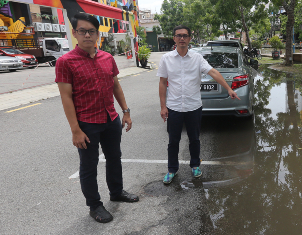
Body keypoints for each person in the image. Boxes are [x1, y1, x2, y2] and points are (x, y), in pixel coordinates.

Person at [55, 12, 139, 223]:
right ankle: (94, 205)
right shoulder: (66, 62)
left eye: (91, 31)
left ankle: (116, 192)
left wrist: (125, 111)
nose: (87, 35)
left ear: (97, 34)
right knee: (89, 166)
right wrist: (75, 130)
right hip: (87, 123)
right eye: (82, 31)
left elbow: (115, 86)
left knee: (114, 158)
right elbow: (66, 98)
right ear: (74, 33)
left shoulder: (107, 58)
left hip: (110, 118)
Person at [157, 25, 240, 184]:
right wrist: (163, 106)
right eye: (179, 35)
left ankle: (195, 165)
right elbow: (162, 83)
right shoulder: (166, 59)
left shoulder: (197, 58)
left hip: (193, 107)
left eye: (185, 36)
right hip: (174, 107)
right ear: (174, 38)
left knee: (194, 138)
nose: (182, 38)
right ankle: (172, 169)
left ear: (189, 39)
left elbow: (213, 72)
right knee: (173, 141)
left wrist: (228, 88)